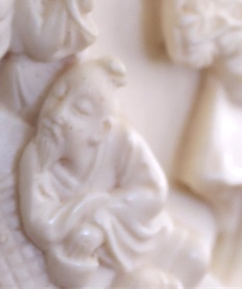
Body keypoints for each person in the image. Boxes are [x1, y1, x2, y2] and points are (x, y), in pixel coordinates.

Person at [17, 57, 187, 289]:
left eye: (80, 110)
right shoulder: (37, 155)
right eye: (57, 96)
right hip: (95, 266)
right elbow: (42, 227)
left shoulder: (120, 140)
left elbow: (153, 192)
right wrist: (86, 211)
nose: (57, 113)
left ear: (102, 128)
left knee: (195, 258)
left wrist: (100, 222)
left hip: (143, 237)